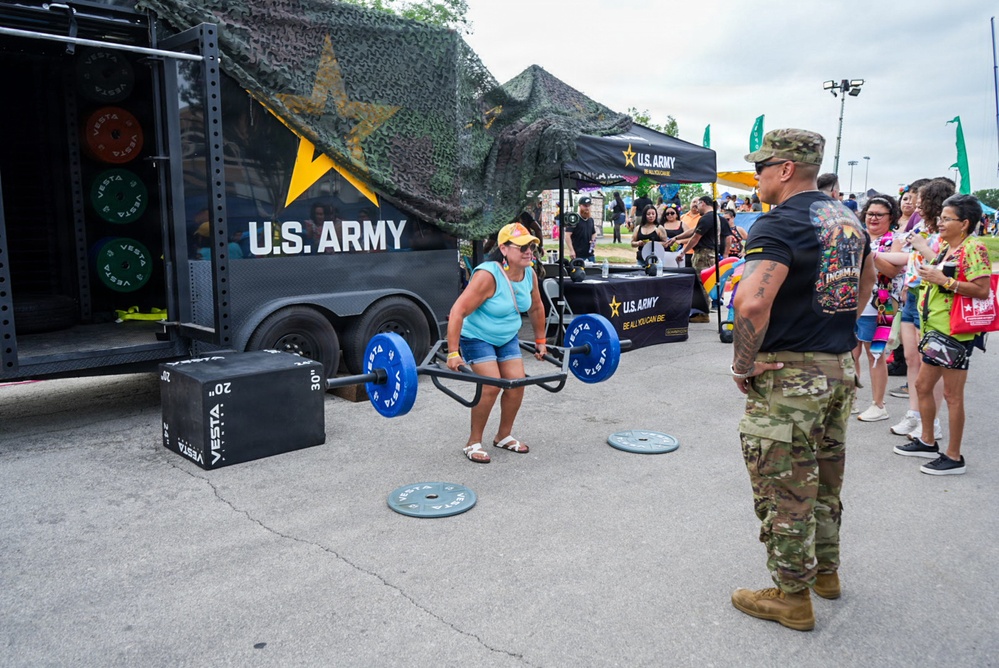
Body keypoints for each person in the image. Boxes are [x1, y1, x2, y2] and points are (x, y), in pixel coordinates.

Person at [729, 128, 875, 631]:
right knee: (826, 478)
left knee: (786, 487)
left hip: (791, 377)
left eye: (763, 165)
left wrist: (742, 365)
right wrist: (838, 327)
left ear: (786, 168)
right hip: (837, 371)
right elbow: (868, 280)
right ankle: (826, 574)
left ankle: (792, 595)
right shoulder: (848, 220)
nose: (757, 174)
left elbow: (751, 302)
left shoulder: (779, 224)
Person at [891, 195, 990, 475]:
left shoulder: (974, 247)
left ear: (965, 223)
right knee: (923, 386)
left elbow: (982, 289)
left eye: (947, 219)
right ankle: (927, 440)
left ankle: (954, 457)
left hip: (955, 333)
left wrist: (943, 280)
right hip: (936, 330)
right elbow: (945, 272)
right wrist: (932, 270)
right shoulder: (949, 246)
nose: (941, 222)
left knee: (952, 395)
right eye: (942, 218)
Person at [446, 222, 549, 464]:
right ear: (503, 249)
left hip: (506, 337)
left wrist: (541, 340)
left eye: (531, 246)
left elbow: (536, 307)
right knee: (491, 386)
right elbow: (458, 311)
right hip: (477, 337)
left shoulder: (529, 274)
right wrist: (452, 353)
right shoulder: (487, 275)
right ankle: (473, 442)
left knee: (516, 383)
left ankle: (503, 435)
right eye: (522, 247)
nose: (528, 251)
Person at [884, 178, 953, 437]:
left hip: (933, 300)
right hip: (912, 297)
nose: (916, 205)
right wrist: (875, 254)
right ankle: (914, 415)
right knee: (913, 359)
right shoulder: (921, 225)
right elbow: (909, 258)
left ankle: (931, 423)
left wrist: (922, 249)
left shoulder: (946, 232)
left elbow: (946, 266)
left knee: (929, 365)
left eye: (922, 201)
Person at [853, 195, 905, 423]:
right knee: (850, 352)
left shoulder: (894, 240)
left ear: (890, 217)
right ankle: (850, 399)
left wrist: (870, 253)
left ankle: (878, 404)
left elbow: (893, 272)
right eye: (870, 213)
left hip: (880, 303)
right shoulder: (856, 234)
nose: (873, 218)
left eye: (879, 214)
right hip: (851, 301)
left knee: (875, 355)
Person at [567, 196, 596, 262]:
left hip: (590, 254)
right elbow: (567, 235)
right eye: (585, 206)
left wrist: (593, 241)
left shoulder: (590, 219)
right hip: (578, 254)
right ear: (580, 206)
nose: (587, 208)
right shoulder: (574, 219)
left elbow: (594, 233)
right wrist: (571, 250)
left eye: (589, 206)